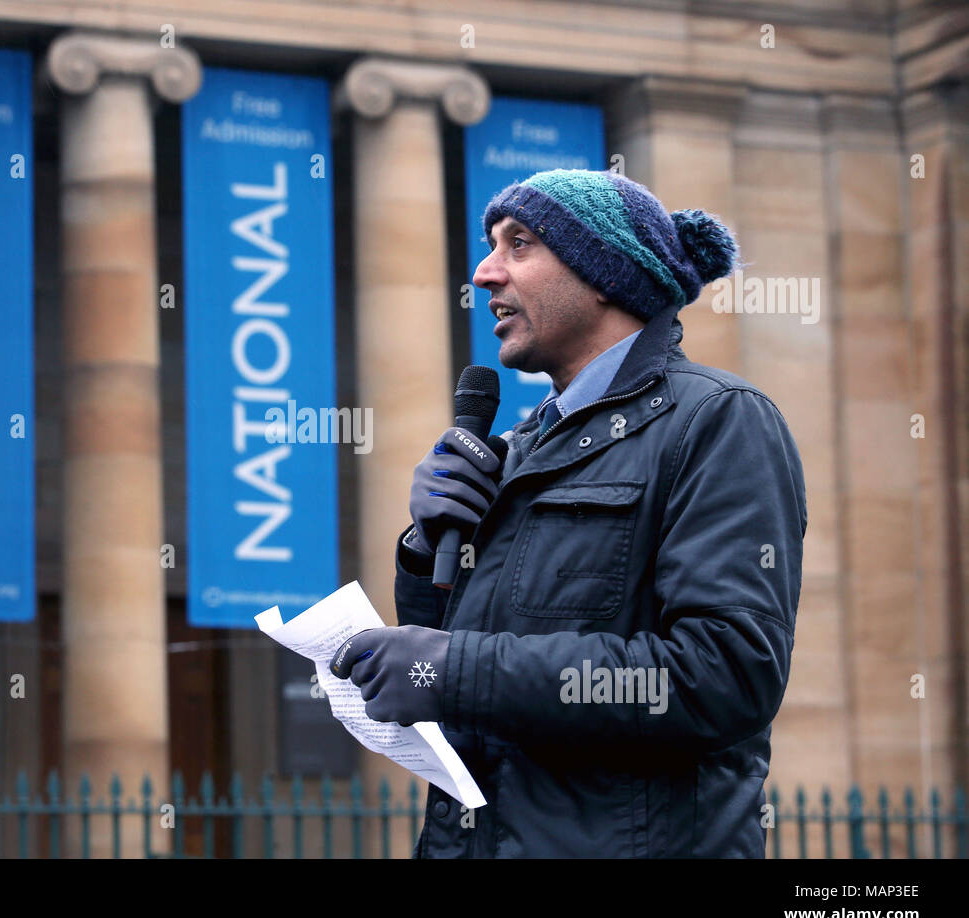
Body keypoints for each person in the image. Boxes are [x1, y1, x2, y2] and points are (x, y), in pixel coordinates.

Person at [330, 169, 807, 858]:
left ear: (604, 274)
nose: (485, 272)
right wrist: (428, 545)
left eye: (519, 244)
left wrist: (451, 667)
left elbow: (726, 674)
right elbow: (469, 667)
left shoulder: (721, 420)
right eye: (492, 246)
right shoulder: (520, 447)